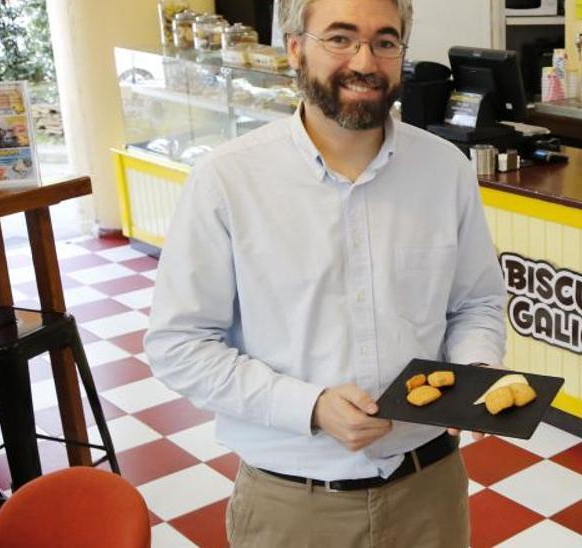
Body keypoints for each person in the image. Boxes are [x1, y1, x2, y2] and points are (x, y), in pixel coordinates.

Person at [144, 0, 506, 546]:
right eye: (340, 38)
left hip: (429, 490)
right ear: (295, 48)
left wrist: (474, 370)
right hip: (293, 504)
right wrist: (309, 407)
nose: (365, 60)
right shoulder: (227, 180)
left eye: (385, 41)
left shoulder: (445, 170)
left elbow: (475, 303)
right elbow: (179, 343)